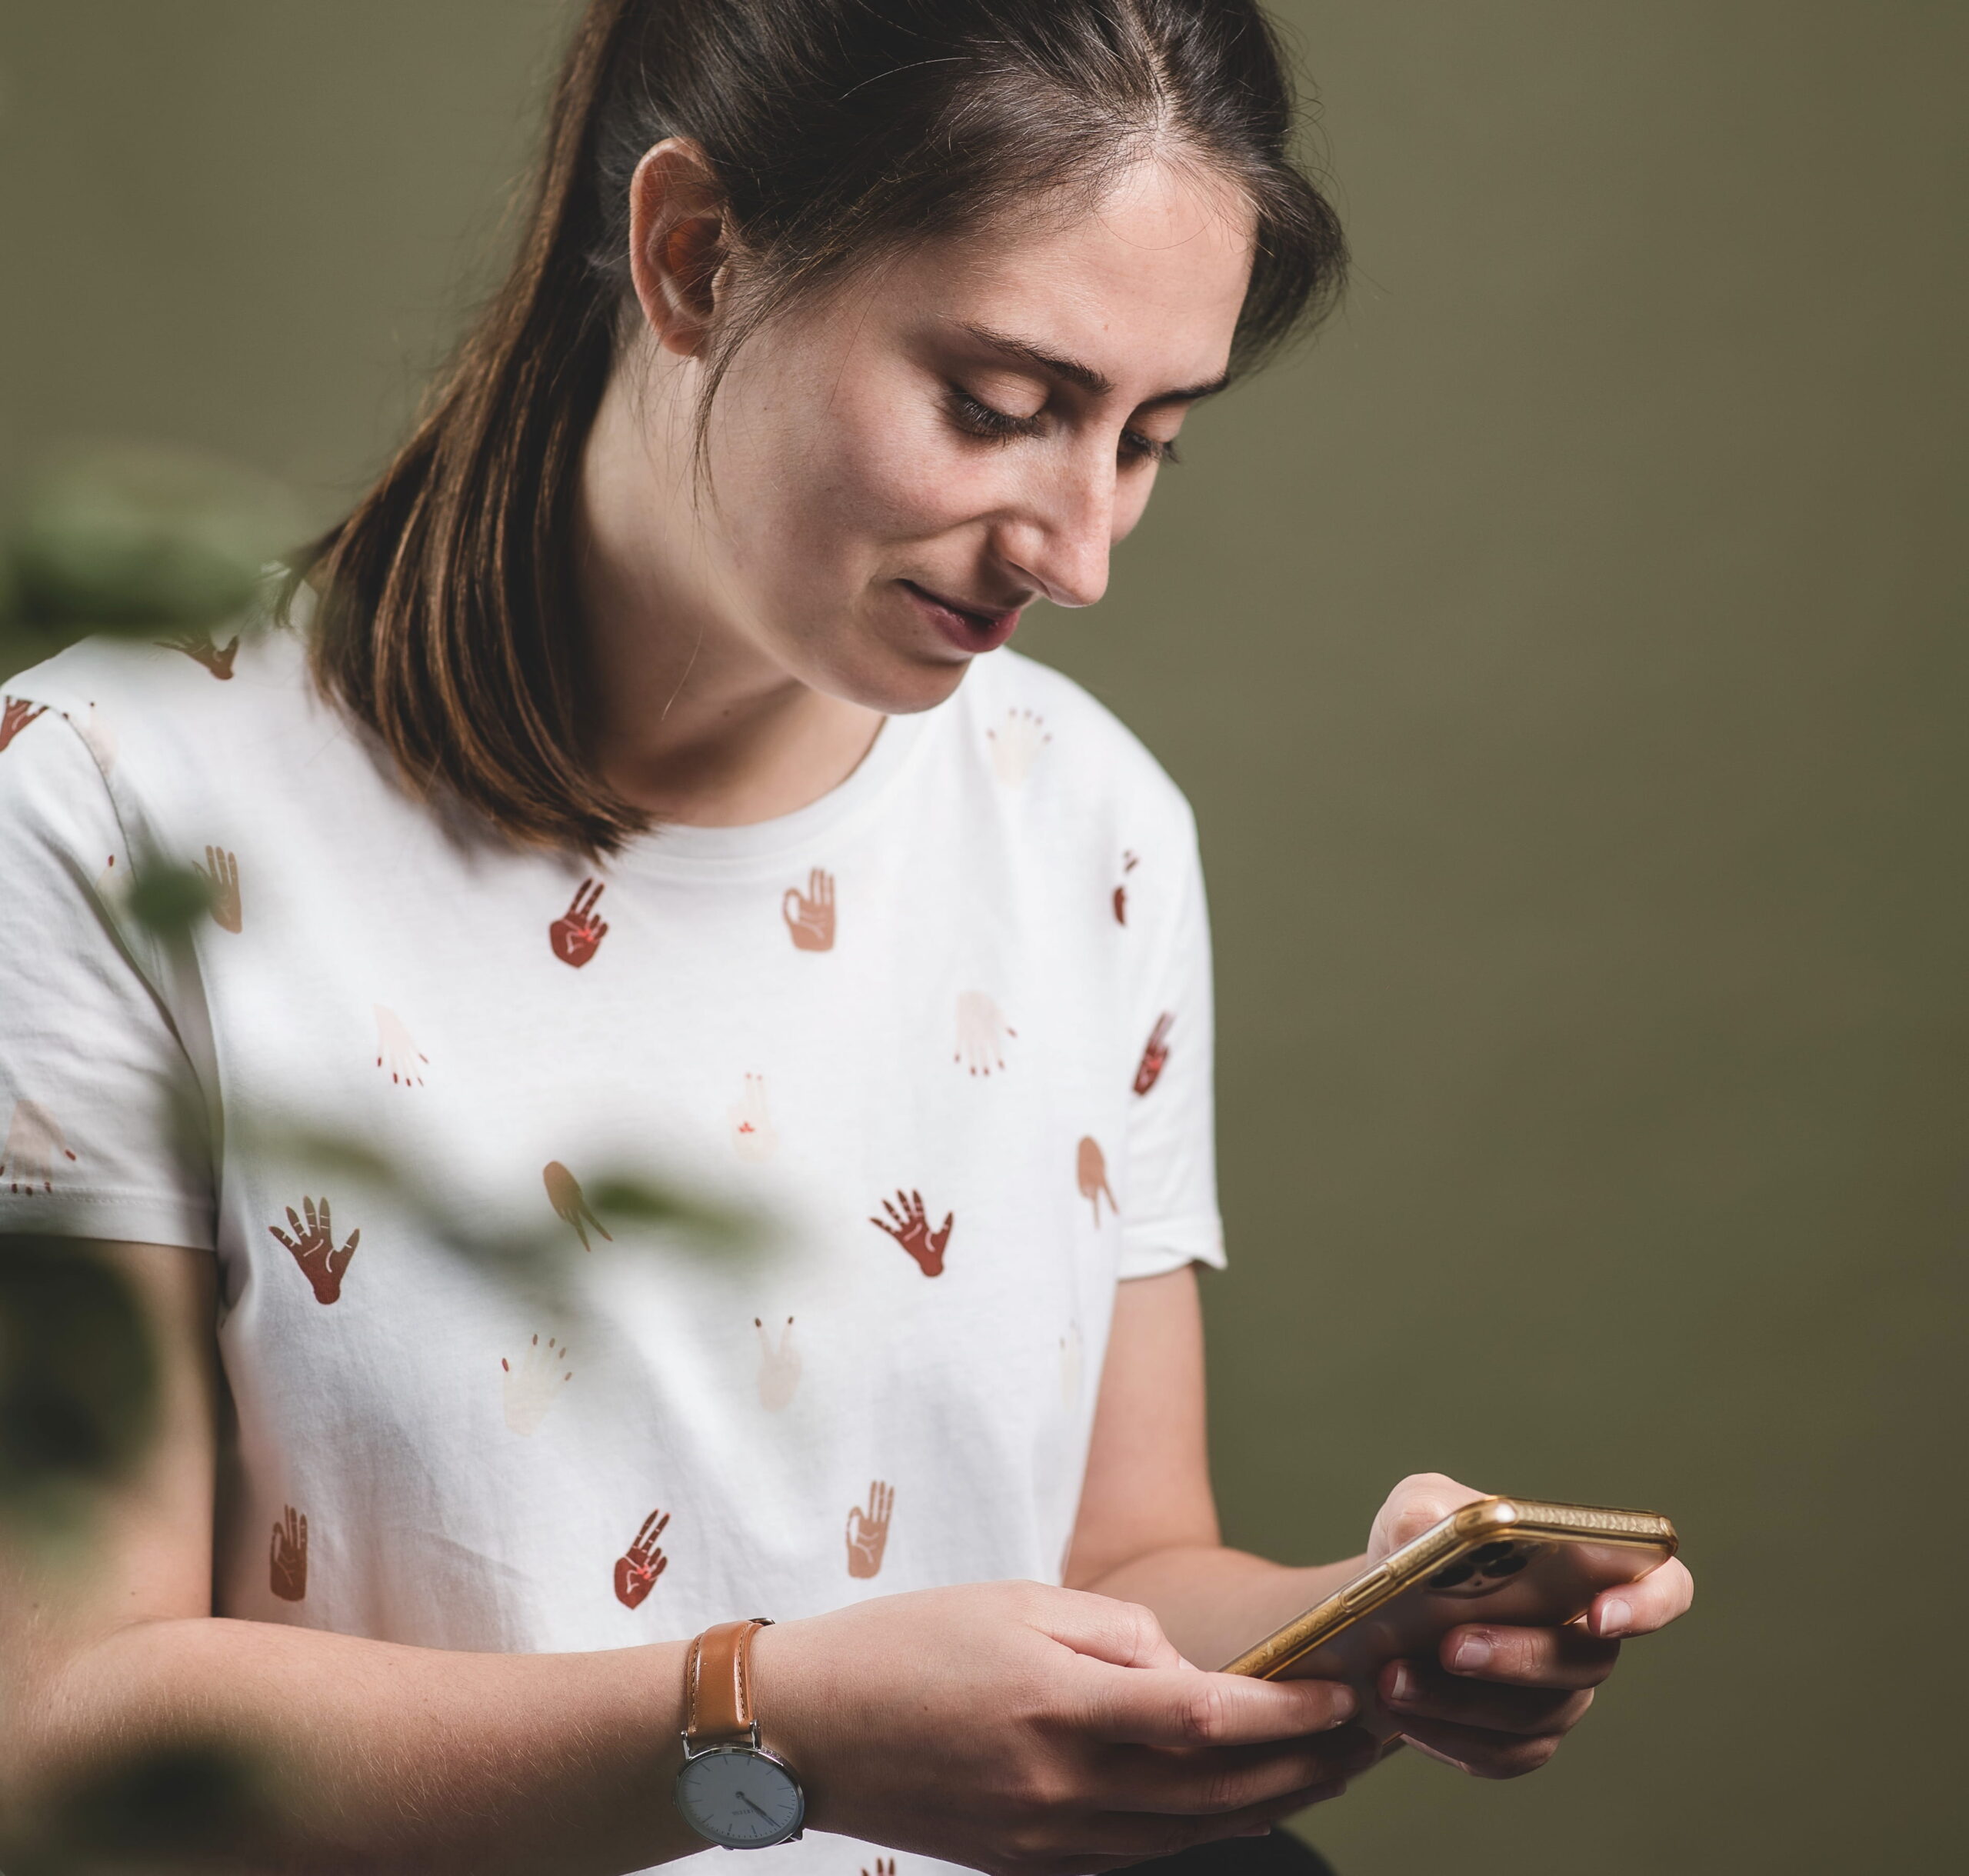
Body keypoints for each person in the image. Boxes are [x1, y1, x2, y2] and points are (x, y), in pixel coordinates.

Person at [0, 3, 1693, 1874]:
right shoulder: (104, 803)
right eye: (999, 406)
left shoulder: (1085, 821)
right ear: (692, 257)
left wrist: (1364, 1626)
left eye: (1146, 441)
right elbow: (57, 1725)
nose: (1076, 553)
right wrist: (762, 1722)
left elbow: (1118, 1565)